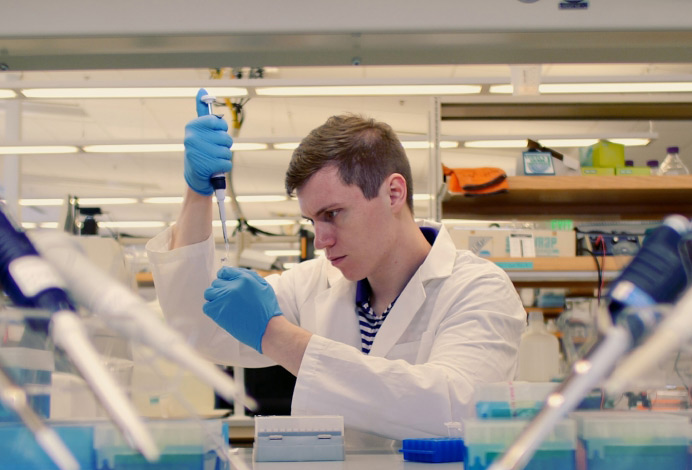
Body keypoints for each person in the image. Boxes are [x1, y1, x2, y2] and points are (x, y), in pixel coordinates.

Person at [146, 88, 526, 444]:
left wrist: (278, 336)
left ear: (393, 193)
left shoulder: (477, 288)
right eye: (313, 221)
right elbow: (196, 327)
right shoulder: (311, 285)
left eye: (333, 214)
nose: (321, 239)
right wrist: (198, 195)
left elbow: (457, 409)